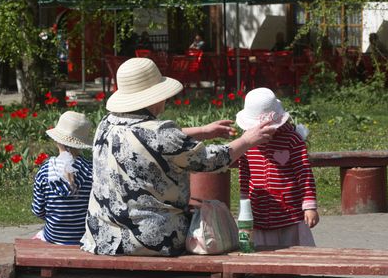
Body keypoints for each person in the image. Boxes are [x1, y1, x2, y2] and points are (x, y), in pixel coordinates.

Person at [80, 58, 276, 256]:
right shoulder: (161, 134)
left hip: (103, 237)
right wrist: (247, 140)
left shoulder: (105, 124)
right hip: (152, 239)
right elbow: (210, 161)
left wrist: (202, 131)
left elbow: (146, 138)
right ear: (155, 97)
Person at [235, 87, 319, 247]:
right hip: (258, 207)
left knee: (292, 251)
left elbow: (304, 173)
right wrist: (244, 201)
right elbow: (244, 172)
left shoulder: (292, 140)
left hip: (289, 211)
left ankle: (291, 271)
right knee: (263, 251)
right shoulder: (247, 141)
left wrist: (309, 206)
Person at [31, 111, 94, 245]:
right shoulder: (92, 170)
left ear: (56, 140)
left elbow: (38, 210)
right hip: (84, 237)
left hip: (53, 237)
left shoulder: (44, 171)